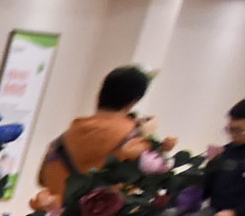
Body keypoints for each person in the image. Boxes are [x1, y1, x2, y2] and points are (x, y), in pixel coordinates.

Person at [37, 64, 168, 206]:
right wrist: (149, 138)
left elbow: (42, 179)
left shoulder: (63, 139)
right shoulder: (135, 141)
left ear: (101, 93)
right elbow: (154, 181)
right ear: (134, 101)